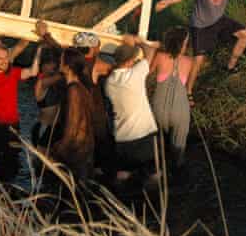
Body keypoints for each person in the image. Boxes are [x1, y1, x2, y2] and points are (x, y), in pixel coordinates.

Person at [0, 26, 40, 181]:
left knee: (12, 162)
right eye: (0, 58)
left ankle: (9, 193)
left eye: (6, 58)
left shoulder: (13, 73)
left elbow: (33, 72)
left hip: (12, 126)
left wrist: (39, 50)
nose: (5, 61)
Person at [104, 41, 159, 187]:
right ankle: (153, 203)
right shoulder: (136, 74)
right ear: (130, 61)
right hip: (144, 133)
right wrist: (140, 42)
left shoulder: (109, 82)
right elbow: (151, 51)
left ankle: (119, 201)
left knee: (123, 174)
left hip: (122, 137)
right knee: (153, 173)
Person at [72, 31, 115, 178]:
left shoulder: (72, 63)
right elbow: (119, 69)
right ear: (92, 48)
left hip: (77, 113)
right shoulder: (96, 64)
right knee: (101, 153)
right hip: (95, 115)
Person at [148, 28, 192, 173]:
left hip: (159, 109)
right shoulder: (188, 62)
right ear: (181, 44)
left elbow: (147, 72)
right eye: (186, 42)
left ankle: (158, 176)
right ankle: (178, 176)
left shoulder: (160, 56)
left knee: (157, 149)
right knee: (178, 151)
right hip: (180, 111)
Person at [49, 48, 95, 182]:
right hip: (84, 150)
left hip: (76, 152)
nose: (59, 63)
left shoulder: (73, 90)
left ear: (68, 67)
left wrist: (57, 151)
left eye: (61, 60)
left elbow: (72, 124)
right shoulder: (81, 86)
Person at [31, 49, 64, 148]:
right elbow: (61, 75)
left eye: (54, 62)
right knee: (40, 160)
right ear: (42, 66)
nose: (53, 65)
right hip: (44, 128)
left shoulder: (54, 82)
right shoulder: (42, 82)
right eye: (49, 63)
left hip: (55, 127)